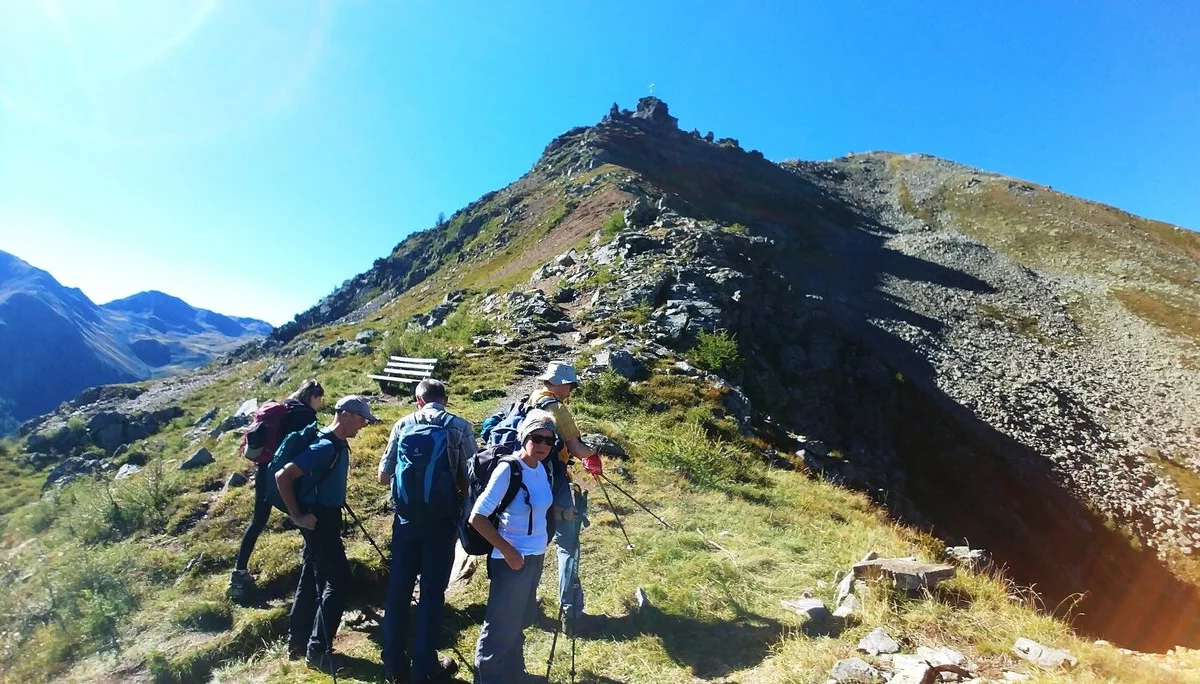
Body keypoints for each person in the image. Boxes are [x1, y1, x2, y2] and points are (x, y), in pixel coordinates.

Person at [377, 379, 476, 683]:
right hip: (441, 520)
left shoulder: (402, 424)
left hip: (406, 520)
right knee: (432, 593)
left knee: (398, 591)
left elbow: (383, 475)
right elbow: (471, 474)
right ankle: (425, 667)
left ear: (418, 400)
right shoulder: (458, 425)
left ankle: (393, 663)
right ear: (444, 399)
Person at [275, 395, 378, 673]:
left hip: (323, 515)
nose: (364, 425)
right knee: (339, 580)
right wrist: (297, 516)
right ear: (344, 415)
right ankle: (318, 651)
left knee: (311, 577)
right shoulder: (324, 445)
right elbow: (283, 476)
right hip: (318, 521)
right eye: (361, 419)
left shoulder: (335, 444)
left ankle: (297, 642)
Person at [469, 411, 558, 682]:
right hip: (510, 559)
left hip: (534, 556)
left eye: (548, 440)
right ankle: (489, 678)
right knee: (499, 624)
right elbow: (477, 517)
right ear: (524, 437)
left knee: (518, 619)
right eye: (536, 438)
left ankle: (514, 675)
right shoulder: (509, 468)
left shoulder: (542, 468)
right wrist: (509, 552)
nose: (542, 444)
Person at [228, 380, 325, 602]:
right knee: (303, 517)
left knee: (258, 521)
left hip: (263, 472)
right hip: (284, 475)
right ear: (313, 397)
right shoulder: (305, 415)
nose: (320, 404)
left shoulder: (284, 407)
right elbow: (301, 449)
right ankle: (316, 569)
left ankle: (239, 572)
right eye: (320, 399)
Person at [530, 361, 604, 634]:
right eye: (570, 385)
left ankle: (526, 607)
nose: (571, 390)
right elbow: (577, 448)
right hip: (555, 481)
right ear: (560, 383)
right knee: (567, 545)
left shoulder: (531, 401)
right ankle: (571, 614)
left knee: (533, 543)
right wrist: (593, 453)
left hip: (529, 478)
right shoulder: (557, 408)